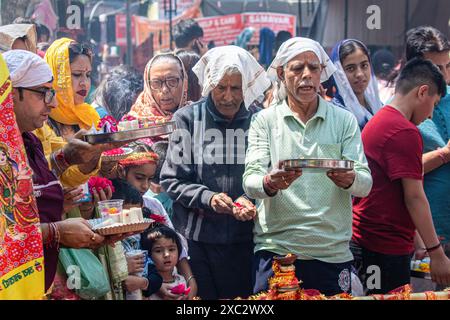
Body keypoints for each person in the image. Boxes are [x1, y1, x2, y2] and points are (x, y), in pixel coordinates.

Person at [243, 37, 372, 296]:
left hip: (332, 253)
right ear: (281, 73)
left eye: (314, 68)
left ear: (322, 74)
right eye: (297, 68)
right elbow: (251, 181)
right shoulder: (264, 121)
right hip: (278, 252)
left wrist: (349, 179)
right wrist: (270, 182)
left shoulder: (344, 121)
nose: (307, 76)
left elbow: (365, 183)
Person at [160, 45, 271, 299]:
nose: (229, 97)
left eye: (236, 88)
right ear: (210, 84)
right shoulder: (186, 119)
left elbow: (268, 175)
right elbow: (172, 179)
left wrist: (250, 198)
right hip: (198, 242)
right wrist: (208, 198)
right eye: (221, 87)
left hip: (247, 241)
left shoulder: (260, 120)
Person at [2, 49, 107, 292]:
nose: (53, 103)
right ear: (11, 93)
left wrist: (68, 158)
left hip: (34, 283)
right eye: (43, 93)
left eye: (53, 92)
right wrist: (55, 232)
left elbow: (29, 191)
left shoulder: (29, 140)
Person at [352, 58, 450, 294]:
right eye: (433, 105)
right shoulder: (403, 131)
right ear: (422, 92)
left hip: (370, 241)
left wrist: (419, 243)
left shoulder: (381, 120)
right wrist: (437, 253)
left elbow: (392, 191)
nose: (429, 116)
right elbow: (414, 197)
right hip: (382, 245)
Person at [409, 27, 450, 288]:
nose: (444, 76)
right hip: (430, 233)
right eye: (437, 69)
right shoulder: (405, 108)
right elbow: (401, 173)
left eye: (448, 66)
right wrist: (444, 154)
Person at [34, 38, 104, 188]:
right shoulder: (39, 121)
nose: (84, 83)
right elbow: (41, 177)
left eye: (88, 75)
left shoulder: (90, 116)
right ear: (57, 76)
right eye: (77, 74)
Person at [330, 39, 383, 130]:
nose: (360, 74)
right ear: (339, 74)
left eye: (364, 66)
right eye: (350, 68)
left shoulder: (379, 106)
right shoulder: (333, 114)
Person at [128, 53, 189, 123]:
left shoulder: (197, 116)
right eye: (156, 83)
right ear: (148, 87)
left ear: (184, 83)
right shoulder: (133, 123)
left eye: (172, 81)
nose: (164, 90)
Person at [142, 224, 189, 300]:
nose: (166, 255)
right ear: (148, 255)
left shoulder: (181, 280)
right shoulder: (146, 287)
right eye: (158, 251)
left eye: (171, 249)